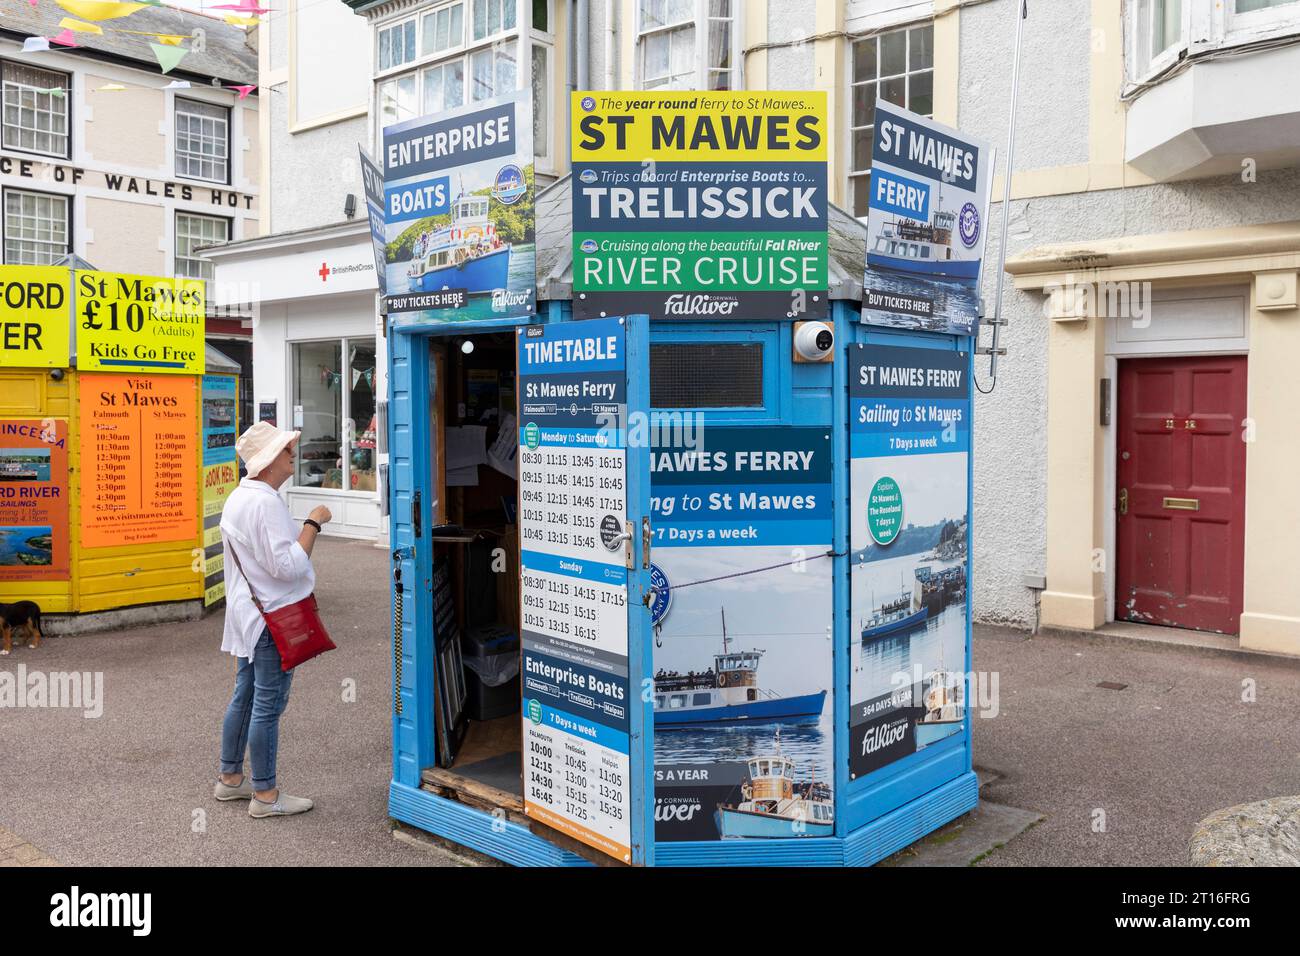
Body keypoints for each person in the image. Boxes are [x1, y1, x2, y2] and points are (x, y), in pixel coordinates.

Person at [213, 421, 332, 818]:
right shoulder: (265, 502)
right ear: (267, 462)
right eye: (285, 450)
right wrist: (313, 523)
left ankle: (231, 779)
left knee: (244, 695)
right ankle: (266, 796)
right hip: (273, 617)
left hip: (250, 613)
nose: (292, 453)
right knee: (268, 703)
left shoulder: (238, 498)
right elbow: (287, 566)